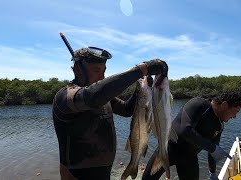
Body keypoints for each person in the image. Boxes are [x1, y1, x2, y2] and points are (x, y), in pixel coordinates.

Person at [52, 46, 168, 180]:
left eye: (104, 71)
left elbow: (126, 110)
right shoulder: (65, 97)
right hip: (76, 175)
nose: (102, 76)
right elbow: (92, 97)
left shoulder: (103, 98)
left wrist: (141, 90)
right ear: (78, 70)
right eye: (97, 70)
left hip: (104, 174)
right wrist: (141, 70)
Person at [142, 91, 241, 180]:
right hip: (167, 150)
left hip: (189, 158)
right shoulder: (198, 104)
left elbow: (213, 151)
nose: (235, 117)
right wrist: (212, 148)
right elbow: (184, 130)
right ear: (224, 105)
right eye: (235, 112)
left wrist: (212, 172)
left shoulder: (219, 125)